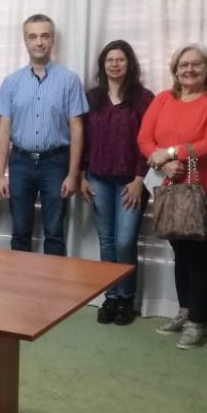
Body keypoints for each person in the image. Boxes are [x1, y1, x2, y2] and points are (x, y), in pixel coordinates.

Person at [137, 44, 207, 349]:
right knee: (180, 254)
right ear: (175, 71)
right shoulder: (163, 99)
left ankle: (198, 322)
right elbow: (144, 139)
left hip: (205, 192)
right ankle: (184, 311)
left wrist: (171, 152)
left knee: (202, 259)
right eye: (183, 65)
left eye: (196, 64)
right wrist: (162, 162)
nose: (189, 70)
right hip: (170, 190)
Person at [0, 14, 88, 256]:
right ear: (25, 41)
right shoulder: (11, 82)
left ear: (52, 40)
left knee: (55, 232)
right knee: (20, 231)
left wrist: (73, 174)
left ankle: (53, 282)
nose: (39, 42)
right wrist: (0, 174)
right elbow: (3, 129)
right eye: (33, 36)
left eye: (45, 36)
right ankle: (20, 281)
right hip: (20, 164)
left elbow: (77, 129)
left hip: (55, 164)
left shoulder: (69, 81)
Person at [79, 40, 154, 326]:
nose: (114, 64)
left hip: (130, 182)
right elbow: (83, 140)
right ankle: (111, 297)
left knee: (125, 242)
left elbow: (149, 141)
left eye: (120, 59)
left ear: (129, 63)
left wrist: (139, 179)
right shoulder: (91, 97)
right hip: (98, 178)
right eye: (109, 60)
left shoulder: (144, 98)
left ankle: (126, 298)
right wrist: (82, 175)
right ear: (103, 65)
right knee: (107, 241)